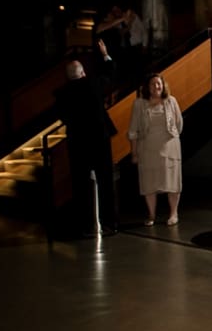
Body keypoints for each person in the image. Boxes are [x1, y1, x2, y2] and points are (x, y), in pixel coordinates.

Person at [53, 39, 119, 236]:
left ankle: (84, 225)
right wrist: (105, 54)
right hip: (99, 138)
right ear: (83, 72)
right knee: (106, 180)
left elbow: (62, 117)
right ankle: (109, 223)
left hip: (77, 142)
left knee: (80, 185)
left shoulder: (61, 94)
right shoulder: (92, 83)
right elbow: (110, 72)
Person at [127, 72, 184, 226]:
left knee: (172, 181)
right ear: (147, 87)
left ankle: (173, 213)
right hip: (147, 149)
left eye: (158, 83)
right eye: (152, 84)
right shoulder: (139, 103)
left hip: (170, 147)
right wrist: (134, 152)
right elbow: (133, 130)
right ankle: (151, 214)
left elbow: (179, 125)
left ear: (163, 85)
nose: (156, 87)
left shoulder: (171, 101)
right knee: (149, 182)